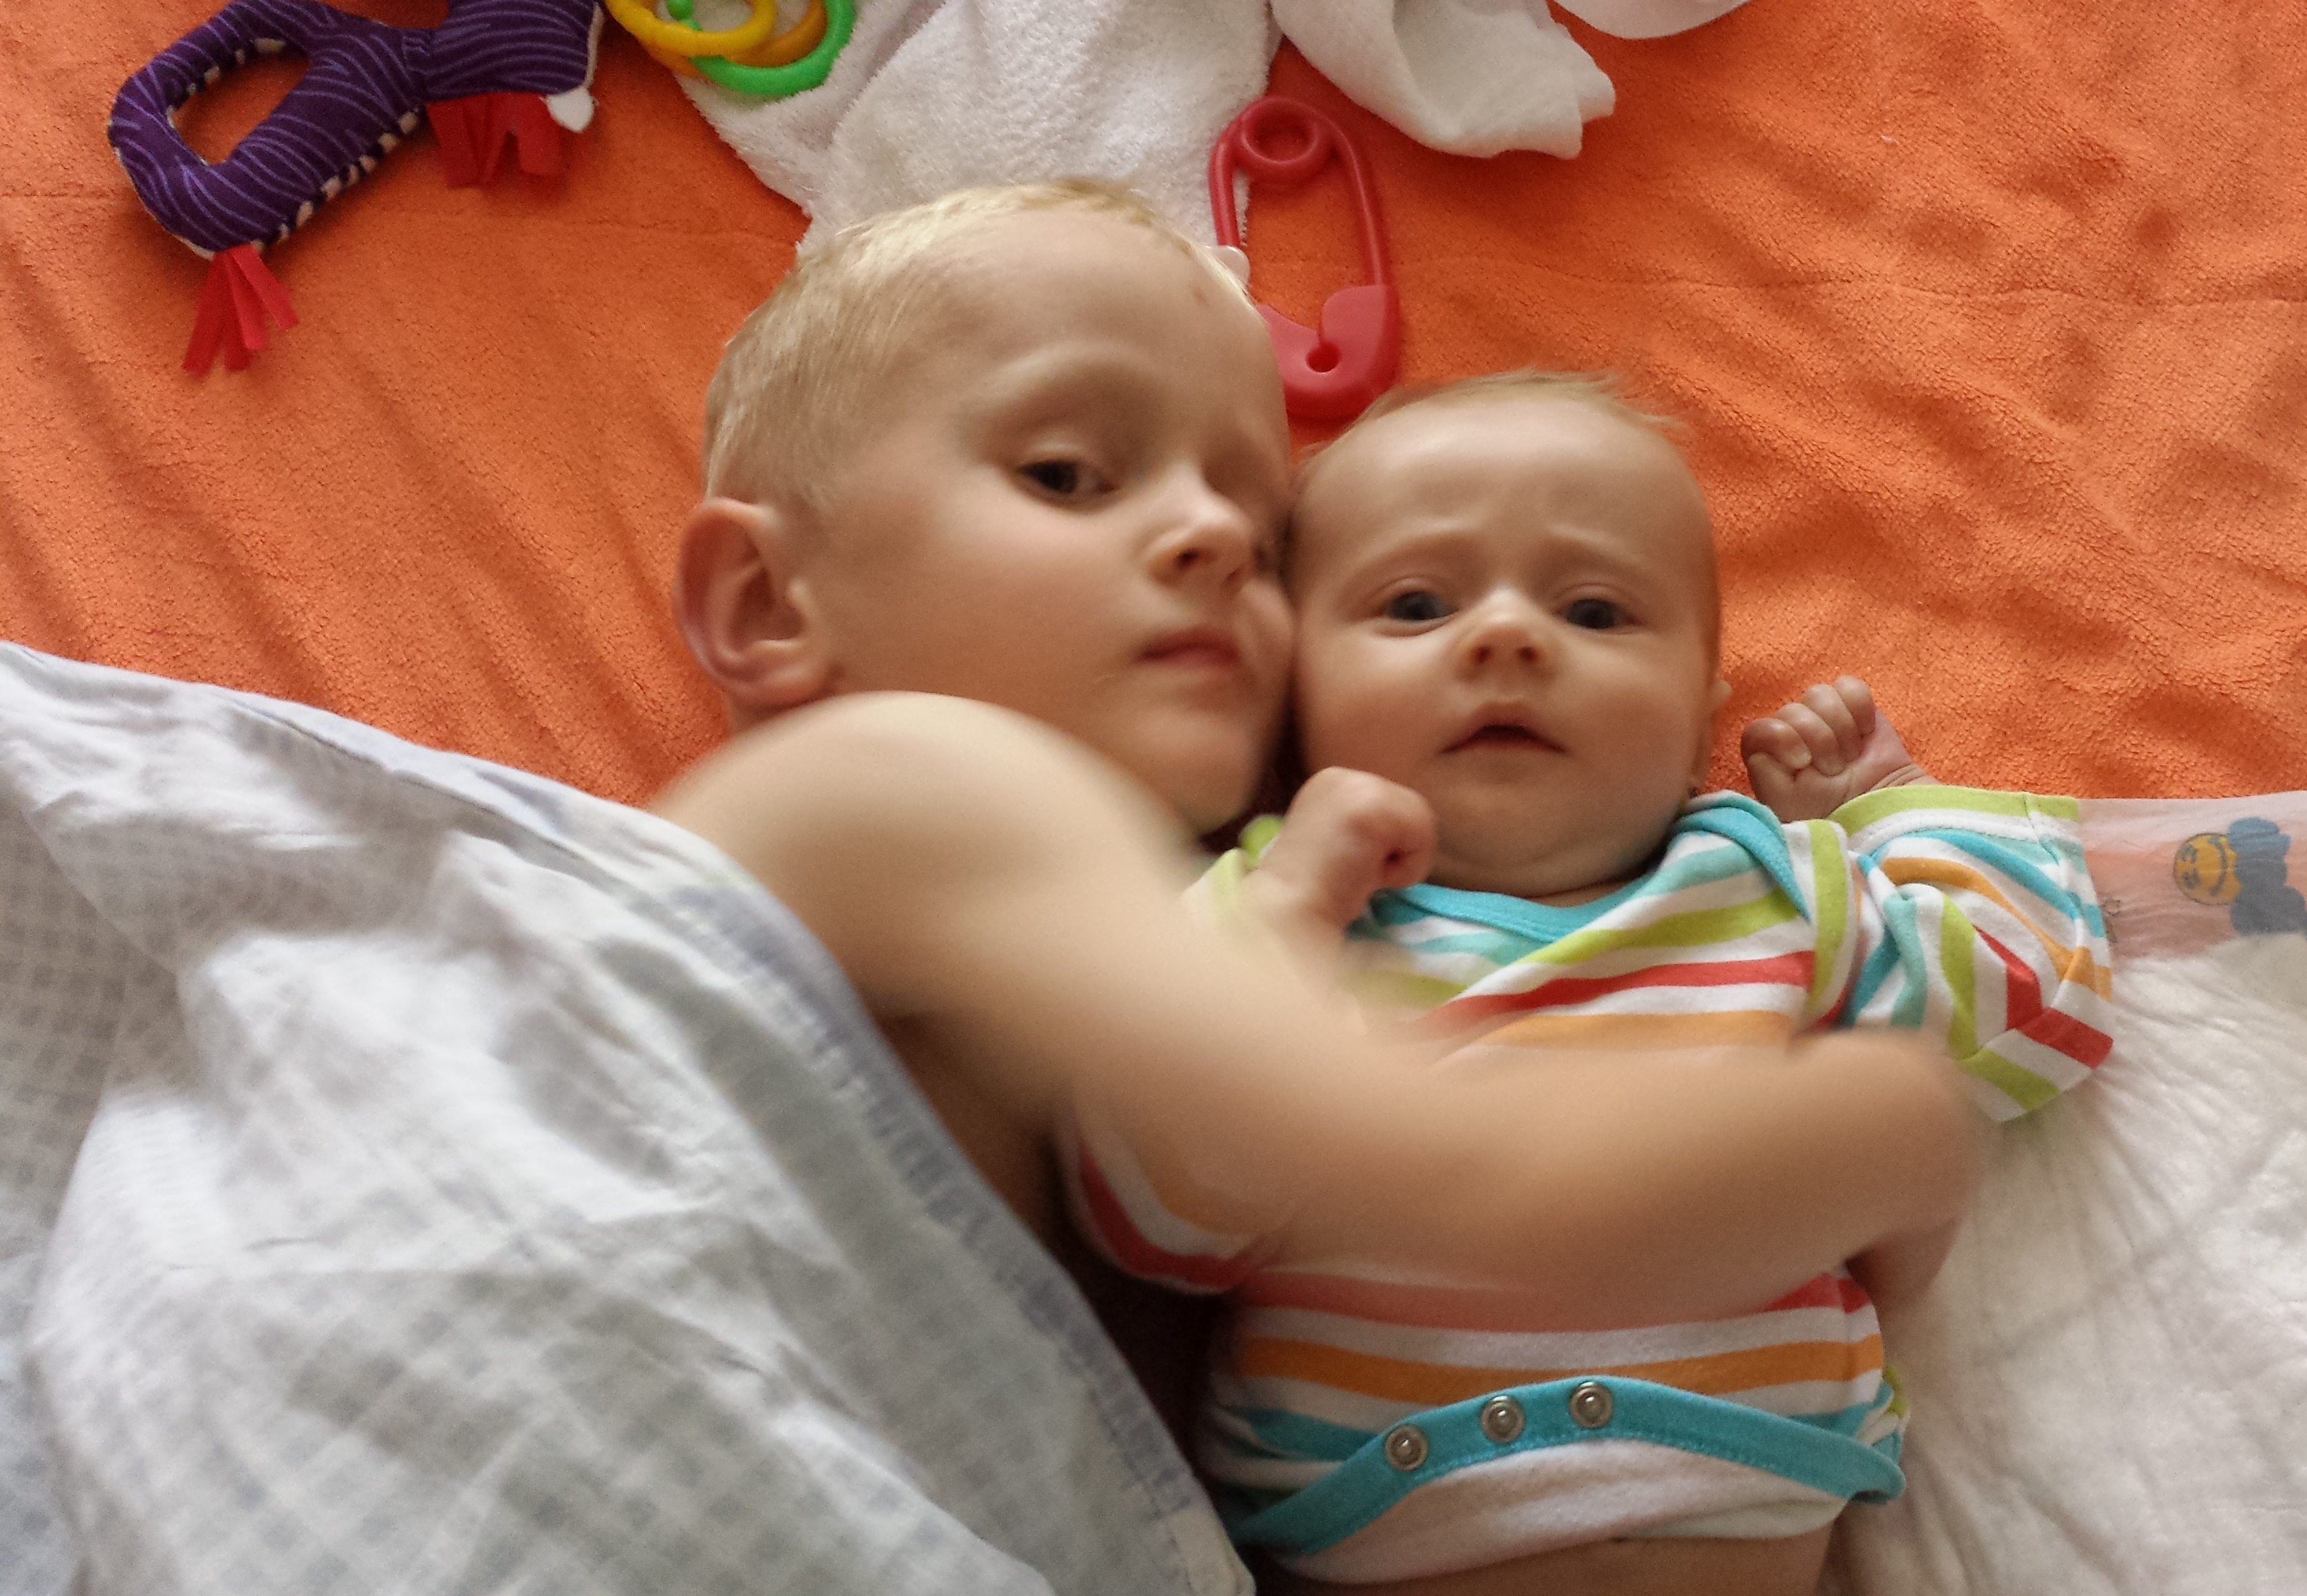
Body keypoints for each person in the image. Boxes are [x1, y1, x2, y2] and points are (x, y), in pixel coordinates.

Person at [646, 184, 1997, 1588]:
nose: (1218, 536)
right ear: (769, 603)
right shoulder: (889, 777)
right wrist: (1890, 1128)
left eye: (1264, 526)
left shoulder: (1146, 947)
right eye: (1069, 473)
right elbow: (1467, 1179)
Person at [1069, 374, 2117, 1593]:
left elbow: (2034, 1007)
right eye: (1415, 605)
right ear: (1297, 684)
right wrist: (1291, 913)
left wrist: (1887, 811)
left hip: (1744, 1487)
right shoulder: (1284, 912)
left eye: (1596, 610)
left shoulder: (1769, 884)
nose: (1507, 636)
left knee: (1901, 1112)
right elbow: (1157, 1222)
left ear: (1700, 702)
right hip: (1381, 1504)